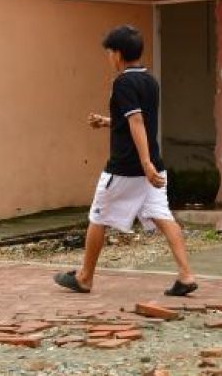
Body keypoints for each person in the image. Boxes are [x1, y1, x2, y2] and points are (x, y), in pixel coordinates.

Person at [53, 24, 198, 296]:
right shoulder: (149, 81)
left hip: (126, 168)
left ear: (117, 54)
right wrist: (108, 122)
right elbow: (135, 121)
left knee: (98, 216)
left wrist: (143, 163)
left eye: (109, 53)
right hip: (154, 165)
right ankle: (186, 276)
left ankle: (84, 277)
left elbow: (136, 120)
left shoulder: (122, 82)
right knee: (164, 217)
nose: (109, 58)